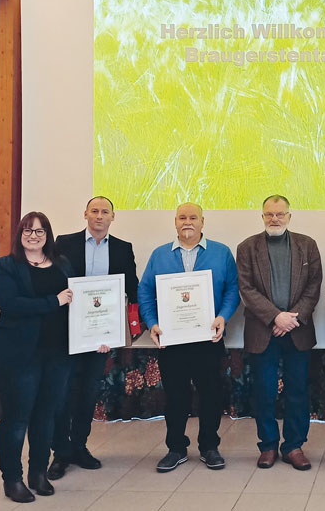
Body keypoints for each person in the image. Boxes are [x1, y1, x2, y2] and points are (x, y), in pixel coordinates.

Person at [138, 202, 239, 473]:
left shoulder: (221, 253)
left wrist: (223, 317)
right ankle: (176, 448)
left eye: (193, 217)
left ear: (203, 222)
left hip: (208, 339)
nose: (188, 222)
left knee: (210, 394)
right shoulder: (160, 255)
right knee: (176, 396)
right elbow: (145, 292)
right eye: (182, 217)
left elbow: (232, 290)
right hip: (172, 341)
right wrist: (152, 323)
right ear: (175, 222)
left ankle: (209, 446)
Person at [48, 196, 139, 480]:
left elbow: (131, 288)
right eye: (95, 211)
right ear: (85, 214)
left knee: (88, 393)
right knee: (63, 394)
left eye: (105, 212)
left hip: (101, 336)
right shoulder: (64, 243)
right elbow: (52, 282)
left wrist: (122, 330)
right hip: (67, 334)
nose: (99, 216)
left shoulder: (123, 248)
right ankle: (60, 452)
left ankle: (79, 446)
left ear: (113, 217)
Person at [0, 212, 74, 503]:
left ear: (48, 234)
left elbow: (80, 303)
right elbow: (11, 304)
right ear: (19, 234)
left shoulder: (62, 265)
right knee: (16, 417)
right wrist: (55, 301)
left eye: (39, 231)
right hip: (16, 355)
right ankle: (11, 479)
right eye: (27, 230)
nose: (33, 235)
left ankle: (38, 473)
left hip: (57, 354)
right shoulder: (6, 266)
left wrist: (98, 333)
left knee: (45, 415)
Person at [236, 195, 322, 471]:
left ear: (289, 216)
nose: (275, 219)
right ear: (262, 216)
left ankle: (294, 446)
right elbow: (246, 289)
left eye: (280, 214)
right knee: (265, 391)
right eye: (269, 214)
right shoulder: (247, 247)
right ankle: (268, 446)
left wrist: (291, 319)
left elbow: (314, 286)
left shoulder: (307, 245)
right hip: (264, 331)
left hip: (297, 331)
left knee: (297, 391)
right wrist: (276, 316)